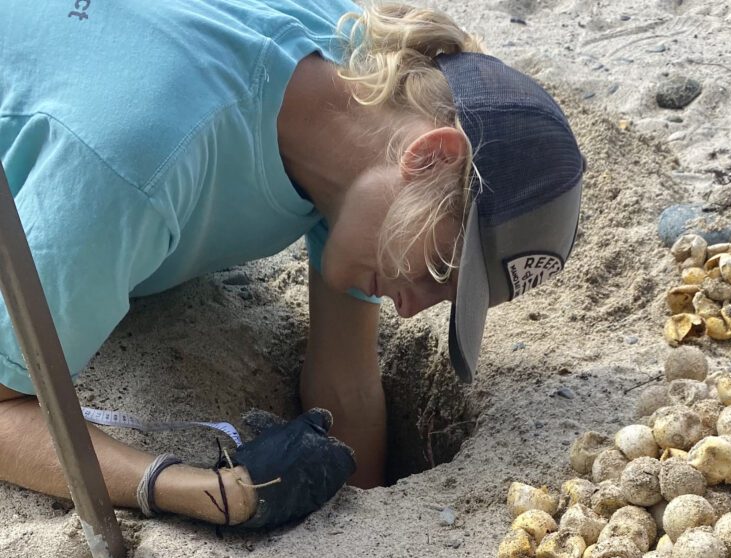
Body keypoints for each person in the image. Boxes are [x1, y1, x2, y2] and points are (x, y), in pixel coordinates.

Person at [0, 0, 584, 528]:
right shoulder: (139, 174)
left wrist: (370, 528)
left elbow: (347, 385)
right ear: (430, 156)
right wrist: (193, 487)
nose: (409, 309)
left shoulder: (360, 93)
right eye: (435, 272)